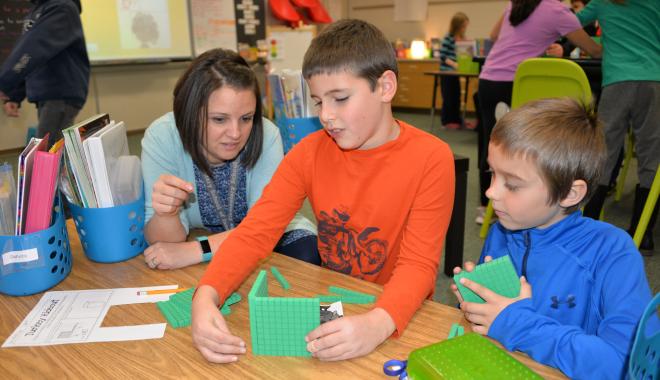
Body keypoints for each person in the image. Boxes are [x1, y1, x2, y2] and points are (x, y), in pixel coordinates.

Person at [191, 19, 455, 363]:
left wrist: (377, 324)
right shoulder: (309, 152)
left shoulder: (432, 158)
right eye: (318, 102)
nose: (326, 116)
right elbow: (256, 232)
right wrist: (206, 296)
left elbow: (419, 266)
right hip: (335, 300)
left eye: (340, 98)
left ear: (385, 86)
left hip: (397, 312)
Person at [451, 98, 656, 379]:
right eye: (492, 174)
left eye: (511, 184)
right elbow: (499, 326)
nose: (491, 192)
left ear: (569, 194)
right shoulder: (502, 232)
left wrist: (515, 323)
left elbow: (623, 365)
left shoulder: (613, 252)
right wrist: (478, 302)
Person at [141, 48, 318, 270]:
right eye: (219, 119)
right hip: (204, 236)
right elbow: (163, 245)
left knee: (307, 254)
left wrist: (199, 250)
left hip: (272, 233)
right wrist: (166, 214)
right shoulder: (163, 136)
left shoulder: (266, 135)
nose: (235, 133)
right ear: (189, 112)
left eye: (246, 118)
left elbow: (264, 227)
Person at [475, 0, 601, 225]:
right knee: (513, 145)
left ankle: (486, 206)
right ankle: (502, 204)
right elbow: (592, 49)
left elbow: (494, 36)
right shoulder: (556, 10)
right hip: (511, 81)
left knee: (491, 141)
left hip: (488, 78)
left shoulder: (516, 5)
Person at [579, 0, 660, 253]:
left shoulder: (601, 2)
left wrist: (601, 44)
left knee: (604, 151)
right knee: (650, 155)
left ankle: (588, 227)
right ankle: (643, 233)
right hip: (654, 80)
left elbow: (569, 23)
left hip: (617, 81)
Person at [0, 0, 89, 148]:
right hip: (48, 94)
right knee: (52, 152)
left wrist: (5, 82)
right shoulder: (37, 9)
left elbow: (35, 46)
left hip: (60, 93)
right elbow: (31, 57)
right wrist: (14, 95)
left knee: (47, 153)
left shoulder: (62, 7)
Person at [438, 12, 473, 130]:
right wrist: (454, 64)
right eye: (463, 26)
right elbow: (443, 56)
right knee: (448, 97)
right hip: (447, 72)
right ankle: (446, 121)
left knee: (456, 96)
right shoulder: (448, 38)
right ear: (457, 26)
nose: (464, 29)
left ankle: (456, 119)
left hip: (456, 73)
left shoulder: (462, 39)